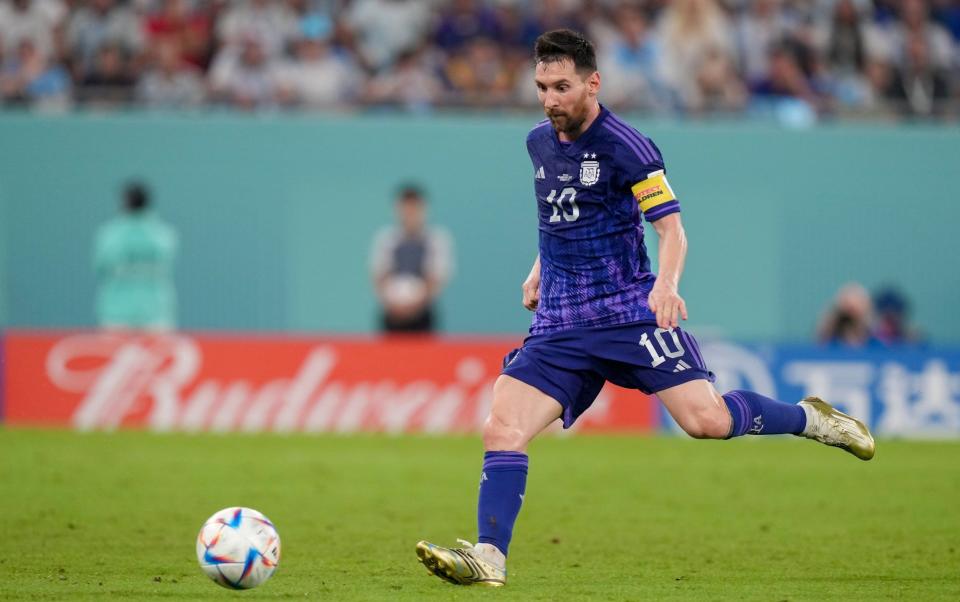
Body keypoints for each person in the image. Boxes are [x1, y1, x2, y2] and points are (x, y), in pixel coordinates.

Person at [415, 29, 875, 588]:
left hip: (630, 313)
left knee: (707, 421)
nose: (550, 99)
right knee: (502, 427)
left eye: (562, 87)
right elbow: (560, 219)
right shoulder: (538, 142)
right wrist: (539, 269)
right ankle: (490, 556)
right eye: (541, 87)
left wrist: (667, 284)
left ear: (593, 83)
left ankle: (812, 419)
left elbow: (672, 230)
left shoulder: (627, 146)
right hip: (560, 323)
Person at [93, 182, 178, 331]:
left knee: (119, 353)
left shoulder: (110, 235)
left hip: (116, 312)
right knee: (155, 354)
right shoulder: (163, 235)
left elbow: (99, 268)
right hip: (156, 311)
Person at [369, 184, 454, 333]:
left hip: (422, 315)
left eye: (413, 209)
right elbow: (379, 275)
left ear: (423, 209)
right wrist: (394, 305)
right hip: (392, 313)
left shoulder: (436, 240)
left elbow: (437, 277)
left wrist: (415, 306)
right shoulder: (386, 239)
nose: (409, 214)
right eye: (405, 209)